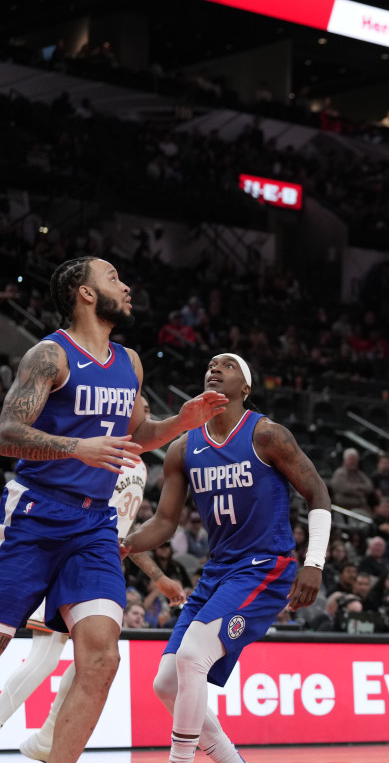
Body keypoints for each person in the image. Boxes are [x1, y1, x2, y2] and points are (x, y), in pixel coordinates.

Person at [0, 257, 226, 763]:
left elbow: (139, 436)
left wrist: (181, 421)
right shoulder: (49, 355)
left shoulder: (130, 361)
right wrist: (74, 448)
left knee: (101, 658)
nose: (125, 287)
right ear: (83, 293)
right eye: (113, 279)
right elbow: (6, 434)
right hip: (35, 513)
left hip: (95, 524)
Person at [121, 353, 331, 763]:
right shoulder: (183, 448)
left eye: (228, 366)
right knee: (166, 684)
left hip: (265, 567)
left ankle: (179, 760)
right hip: (217, 573)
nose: (215, 368)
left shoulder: (267, 435)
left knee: (191, 656)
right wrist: (128, 543)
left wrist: (315, 562)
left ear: (246, 389)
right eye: (212, 364)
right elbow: (165, 523)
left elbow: (318, 493)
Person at [8, 401, 189, 761]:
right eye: (139, 406)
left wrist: (158, 576)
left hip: (95, 564)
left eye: (148, 407)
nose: (145, 411)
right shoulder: (99, 450)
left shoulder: (138, 465)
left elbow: (120, 533)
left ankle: (47, 740)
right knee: (46, 658)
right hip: (62, 557)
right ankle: (38, 737)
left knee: (87, 664)